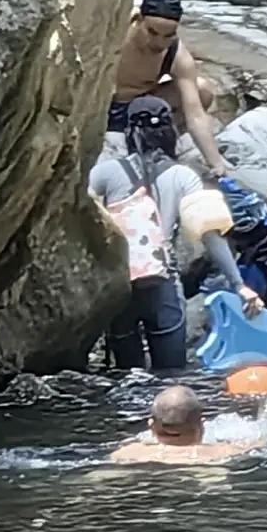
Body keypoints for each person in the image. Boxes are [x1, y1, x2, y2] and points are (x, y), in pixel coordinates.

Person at [91, 116, 188, 376]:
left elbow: (79, 202)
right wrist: (238, 285)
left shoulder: (107, 171)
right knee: (171, 376)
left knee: (128, 378)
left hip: (122, 284)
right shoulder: (182, 174)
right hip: (163, 283)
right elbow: (210, 228)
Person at [111, 0, 220, 166]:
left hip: (139, 111)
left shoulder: (176, 54)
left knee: (201, 91)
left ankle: (159, 143)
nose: (159, 42)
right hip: (101, 108)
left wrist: (216, 164)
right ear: (138, 20)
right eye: (152, 33)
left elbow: (196, 115)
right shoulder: (115, 33)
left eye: (168, 36)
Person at [109, 379, 267, 464]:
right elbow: (262, 442)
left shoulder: (126, 454)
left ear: (151, 426)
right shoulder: (221, 453)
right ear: (201, 425)